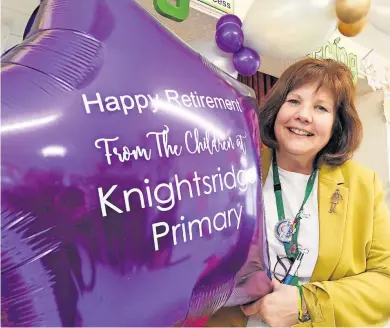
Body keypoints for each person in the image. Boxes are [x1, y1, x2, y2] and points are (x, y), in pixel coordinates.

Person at [206, 58, 390, 327]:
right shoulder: (234, 167)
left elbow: (385, 280)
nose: (304, 115)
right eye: (293, 101)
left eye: (321, 108)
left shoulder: (362, 184)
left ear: (336, 124)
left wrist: (307, 303)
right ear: (277, 108)